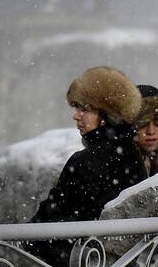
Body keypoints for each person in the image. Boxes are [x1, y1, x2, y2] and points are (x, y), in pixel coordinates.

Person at [32, 66, 146, 223]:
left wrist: (21, 238)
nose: (76, 116)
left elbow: (54, 218)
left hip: (84, 245)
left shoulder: (87, 160)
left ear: (107, 113)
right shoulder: (132, 152)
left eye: (84, 109)